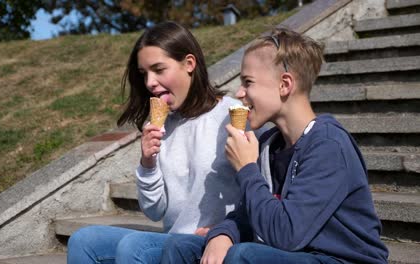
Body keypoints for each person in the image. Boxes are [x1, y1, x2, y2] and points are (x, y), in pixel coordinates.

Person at [161, 28, 389, 264]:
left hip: (340, 259)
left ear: (284, 85)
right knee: (182, 247)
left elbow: (285, 234)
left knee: (243, 257)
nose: (239, 93)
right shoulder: (270, 143)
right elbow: (247, 214)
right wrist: (223, 233)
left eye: (247, 82)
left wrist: (246, 168)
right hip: (298, 255)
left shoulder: (328, 145)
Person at [67, 21, 245, 264]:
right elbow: (154, 212)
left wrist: (226, 230)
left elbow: (264, 188)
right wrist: (148, 164)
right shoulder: (162, 125)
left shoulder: (233, 114)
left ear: (189, 64)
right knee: (83, 239)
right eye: (144, 74)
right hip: (172, 240)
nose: (150, 82)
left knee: (135, 246)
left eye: (159, 69)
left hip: (214, 241)